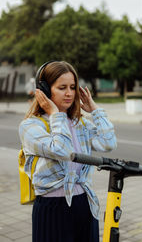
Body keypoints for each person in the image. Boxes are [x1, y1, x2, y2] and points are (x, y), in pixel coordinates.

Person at [19, 61, 117, 242]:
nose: (69, 93)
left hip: (84, 204)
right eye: (62, 87)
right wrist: (56, 114)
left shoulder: (80, 123)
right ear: (45, 91)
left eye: (73, 87)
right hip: (52, 207)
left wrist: (94, 110)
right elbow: (62, 150)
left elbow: (108, 142)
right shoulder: (31, 126)